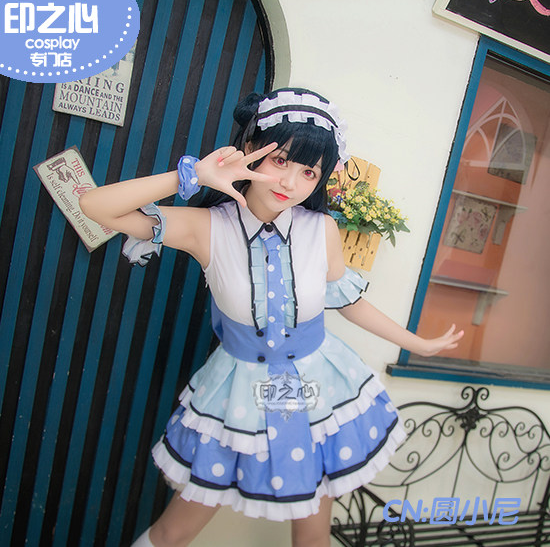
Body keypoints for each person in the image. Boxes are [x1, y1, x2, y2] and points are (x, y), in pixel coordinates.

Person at [79, 88, 463, 547]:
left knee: (312, 539)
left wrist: (418, 344)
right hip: (238, 397)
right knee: (173, 534)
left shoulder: (321, 229)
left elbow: (348, 301)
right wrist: (195, 174)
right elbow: (95, 207)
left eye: (308, 172)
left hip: (318, 391)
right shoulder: (207, 227)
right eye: (280, 160)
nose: (291, 182)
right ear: (250, 149)